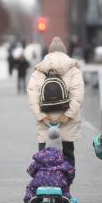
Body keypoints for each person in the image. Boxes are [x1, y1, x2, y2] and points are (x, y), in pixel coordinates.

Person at [27, 37, 84, 167]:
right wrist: (67, 115)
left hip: (46, 124)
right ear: (65, 52)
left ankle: (46, 183)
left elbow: (32, 96)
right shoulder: (73, 69)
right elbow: (78, 96)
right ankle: (66, 186)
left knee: (44, 160)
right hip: (67, 123)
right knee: (68, 158)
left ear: (49, 52)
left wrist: (42, 117)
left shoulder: (39, 70)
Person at [22, 132, 75, 203]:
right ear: (60, 149)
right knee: (64, 190)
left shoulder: (40, 159)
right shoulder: (62, 159)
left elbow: (31, 170)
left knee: (31, 189)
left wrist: (36, 176)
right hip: (58, 182)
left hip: (40, 182)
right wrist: (68, 180)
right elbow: (71, 171)